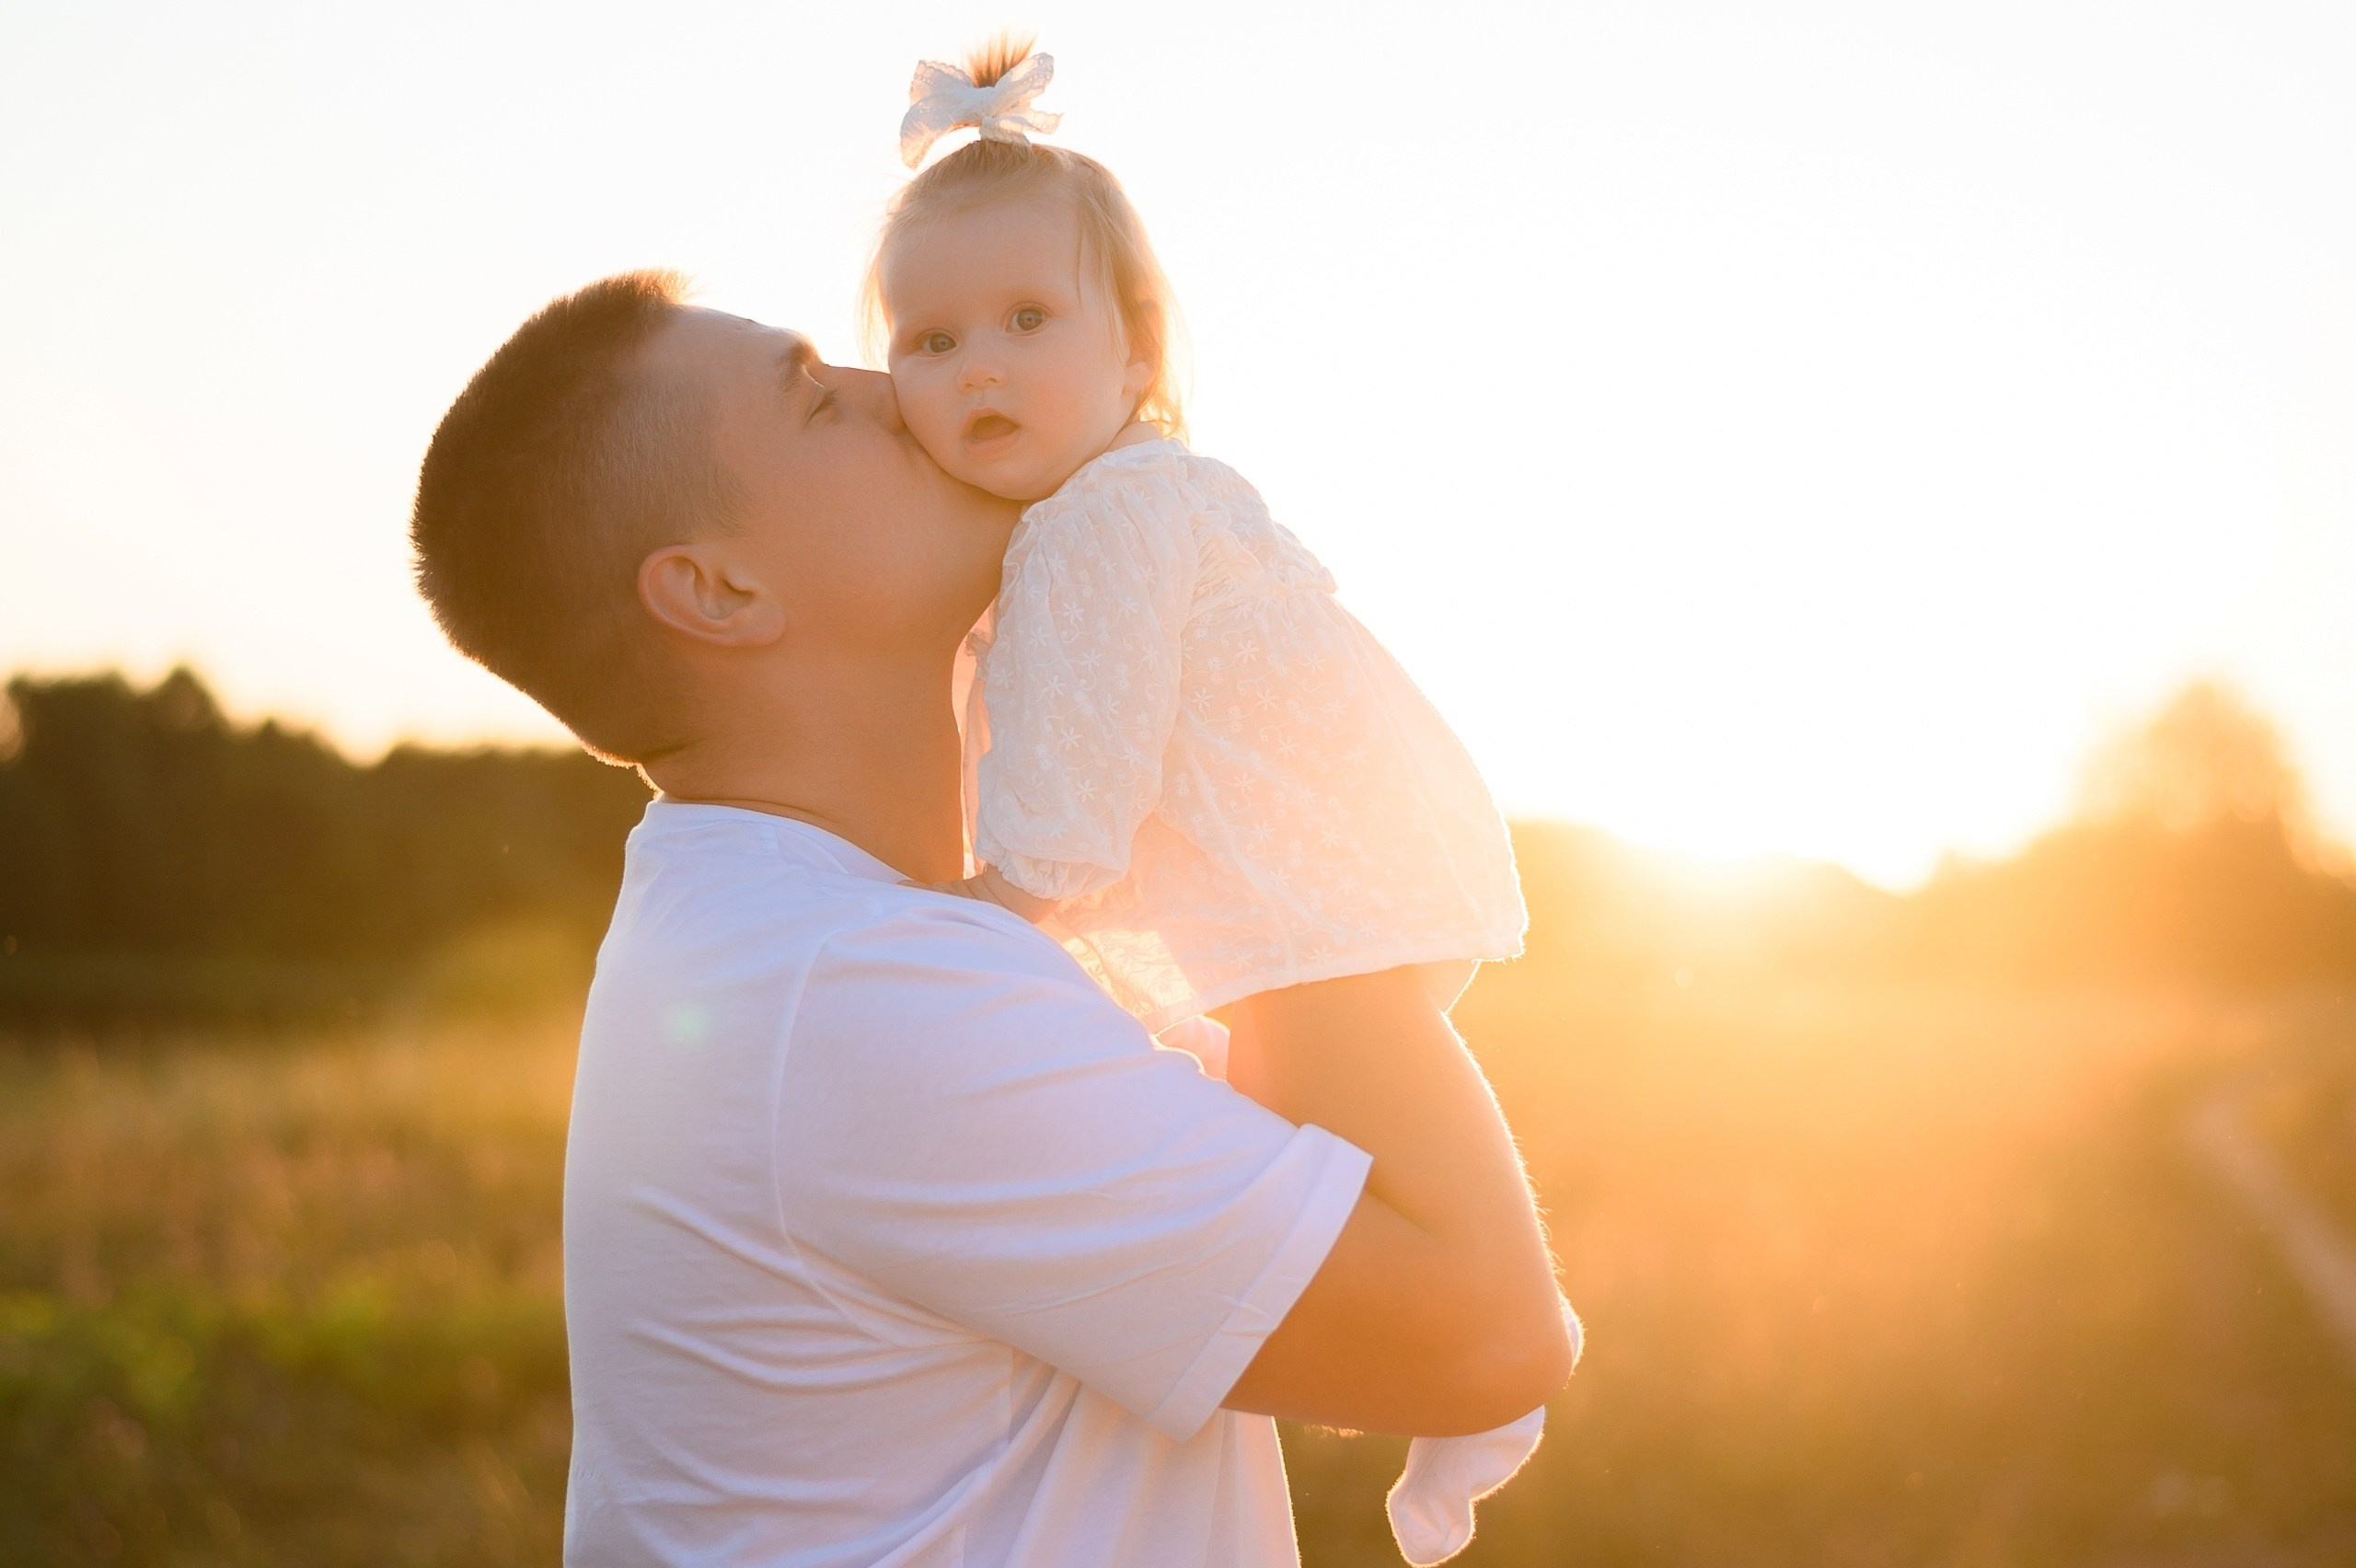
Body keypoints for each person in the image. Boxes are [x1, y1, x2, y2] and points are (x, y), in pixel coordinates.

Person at [409, 271, 1572, 1566]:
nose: (900, 392)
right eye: (817, 401)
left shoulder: (790, 933)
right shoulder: (861, 991)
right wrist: (1267, 733)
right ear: (720, 594)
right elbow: (1485, 1336)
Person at [871, 43, 1547, 1562]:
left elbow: (1075, 795)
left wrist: (995, 908)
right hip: (1296, 873)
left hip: (1305, 884)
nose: (977, 365)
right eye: (929, 339)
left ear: (1136, 349)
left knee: (1360, 1085)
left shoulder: (1104, 518)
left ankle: (1495, 1369)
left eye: (1027, 321)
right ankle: (1434, 1373)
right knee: (1316, 1143)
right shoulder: (1103, 509)